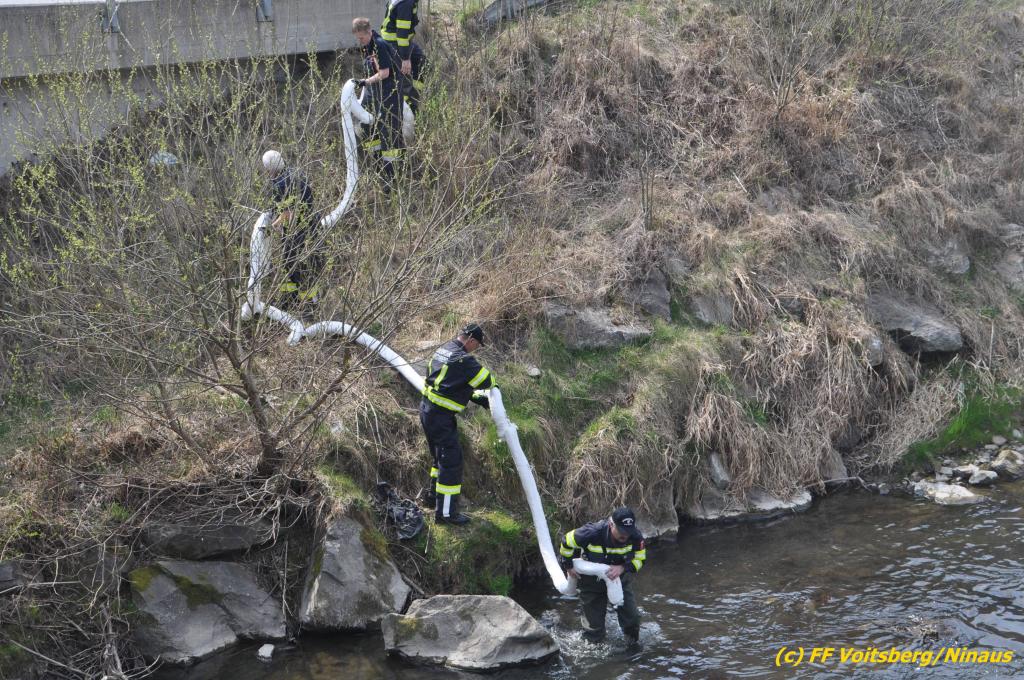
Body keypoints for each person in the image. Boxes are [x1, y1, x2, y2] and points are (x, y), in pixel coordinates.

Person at [419, 322, 496, 525]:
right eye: (477, 345)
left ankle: (432, 498)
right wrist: (493, 391)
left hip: (428, 411)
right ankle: (445, 514)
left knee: (440, 458)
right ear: (471, 340)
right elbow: (487, 380)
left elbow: (449, 382)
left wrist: (475, 397)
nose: (476, 349)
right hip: (440, 417)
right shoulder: (463, 359)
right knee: (451, 462)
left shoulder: (444, 349)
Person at [559, 507, 647, 647]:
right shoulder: (592, 532)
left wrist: (623, 567)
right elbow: (566, 541)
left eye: (628, 531)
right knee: (593, 630)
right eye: (621, 531)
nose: (625, 536)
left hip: (618, 580)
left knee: (632, 619)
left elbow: (640, 559)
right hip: (590, 582)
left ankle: (632, 648)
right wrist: (568, 565)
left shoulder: (635, 536)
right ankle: (593, 651)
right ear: (611, 524)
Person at [261, 149, 321, 310]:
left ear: (269, 168)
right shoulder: (296, 173)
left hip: (298, 231)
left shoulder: (281, 185)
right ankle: (291, 300)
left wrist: (274, 224)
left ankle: (308, 306)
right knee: (291, 265)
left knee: (298, 268)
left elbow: (289, 212)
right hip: (311, 225)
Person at [352, 17, 403, 178]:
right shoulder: (367, 46)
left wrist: (366, 82)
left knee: (388, 133)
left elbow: (384, 73)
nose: (360, 41)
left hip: (389, 93)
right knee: (365, 125)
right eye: (358, 38)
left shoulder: (379, 45)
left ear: (369, 32)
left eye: (361, 38)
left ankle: (392, 175)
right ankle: (378, 164)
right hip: (374, 92)